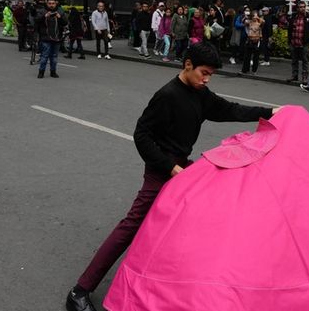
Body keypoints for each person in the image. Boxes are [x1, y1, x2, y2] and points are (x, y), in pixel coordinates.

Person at [65, 42, 279, 311]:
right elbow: (141, 136)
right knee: (130, 228)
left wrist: (270, 112)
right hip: (161, 171)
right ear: (187, 64)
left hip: (182, 168)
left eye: (210, 74)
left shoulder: (200, 93)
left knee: (200, 218)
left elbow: (230, 110)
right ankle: (79, 291)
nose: (206, 78)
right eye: (203, 72)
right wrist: (170, 168)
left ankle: (181, 285)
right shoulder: (167, 95)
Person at [35, 0, 67, 78]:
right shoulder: (42, 11)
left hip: (57, 38)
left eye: (53, 3)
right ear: (47, 3)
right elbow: (36, 21)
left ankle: (53, 72)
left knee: (54, 56)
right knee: (44, 56)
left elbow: (65, 22)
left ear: (56, 4)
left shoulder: (60, 11)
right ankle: (41, 72)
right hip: (45, 38)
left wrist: (60, 18)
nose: (51, 5)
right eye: (49, 3)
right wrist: (44, 16)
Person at [286, 1, 309, 84]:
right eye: (300, 7)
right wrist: (289, 41)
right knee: (294, 60)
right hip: (294, 42)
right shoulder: (293, 17)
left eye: (303, 7)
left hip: (304, 43)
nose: (302, 8)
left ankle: (304, 77)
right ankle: (294, 75)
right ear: (297, 8)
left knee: (305, 60)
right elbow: (289, 29)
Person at [240, 8, 262, 74]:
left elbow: (263, 22)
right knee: (247, 56)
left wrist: (258, 17)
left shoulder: (260, 22)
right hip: (249, 40)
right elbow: (243, 21)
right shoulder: (249, 22)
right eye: (253, 16)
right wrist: (245, 17)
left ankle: (254, 70)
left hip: (257, 40)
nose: (254, 17)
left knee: (256, 57)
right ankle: (245, 70)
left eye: (255, 16)